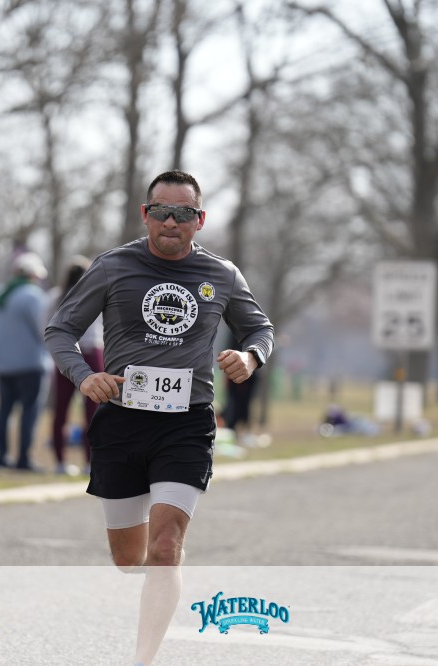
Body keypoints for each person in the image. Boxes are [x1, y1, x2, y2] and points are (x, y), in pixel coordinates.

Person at [45, 170, 274, 665]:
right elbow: (60, 330)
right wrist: (85, 377)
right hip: (122, 422)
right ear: (145, 215)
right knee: (130, 559)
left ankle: (143, 659)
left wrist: (250, 356)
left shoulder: (221, 275)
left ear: (200, 219)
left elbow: (260, 329)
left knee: (165, 548)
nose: (171, 221)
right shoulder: (113, 267)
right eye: (162, 211)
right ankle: (160, 562)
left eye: (183, 213)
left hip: (186, 423)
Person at [0, 251, 50, 471]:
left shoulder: (0, 293)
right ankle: (24, 458)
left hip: (2, 363)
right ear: (34, 274)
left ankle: (1, 456)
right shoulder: (33, 295)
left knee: (4, 411)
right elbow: (43, 329)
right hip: (29, 362)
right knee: (30, 411)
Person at [48, 256, 105, 475]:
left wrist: (54, 349)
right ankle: (90, 461)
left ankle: (60, 462)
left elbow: (46, 326)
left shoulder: (56, 296)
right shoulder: (97, 291)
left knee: (61, 408)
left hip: (65, 354)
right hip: (91, 352)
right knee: (93, 410)